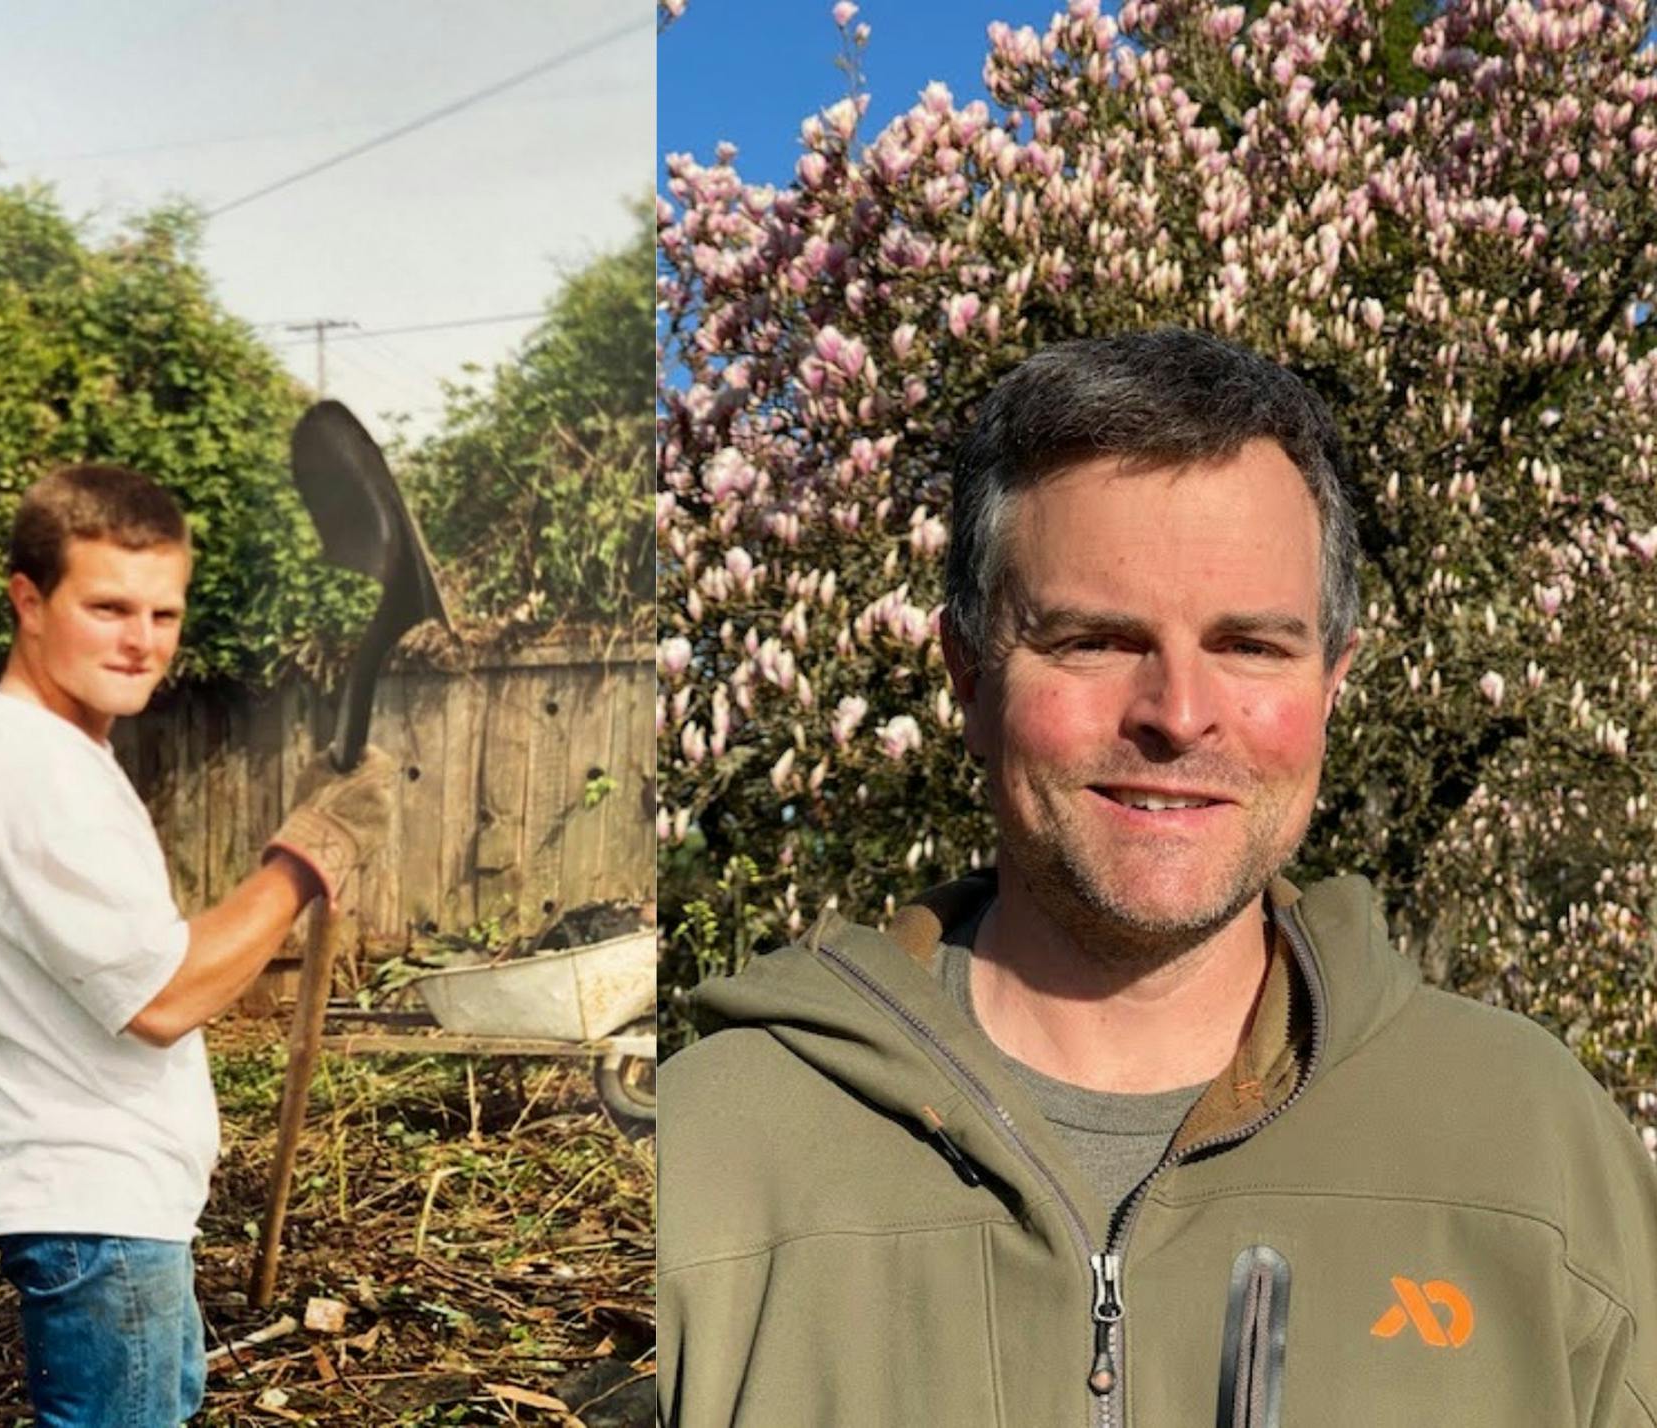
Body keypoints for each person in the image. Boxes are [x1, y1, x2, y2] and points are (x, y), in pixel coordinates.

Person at [656, 330, 1657, 1426]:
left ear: (1332, 684)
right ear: (968, 679)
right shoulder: (709, 1166)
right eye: (1093, 640)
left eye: (1252, 647)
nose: (1178, 716)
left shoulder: (1533, 1154)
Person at [0, 464, 392, 1426]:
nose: (141, 642)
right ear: (29, 602)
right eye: (108, 608)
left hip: (111, 1204)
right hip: (93, 1203)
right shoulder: (33, 775)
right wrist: (309, 857)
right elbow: (163, 996)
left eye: (163, 613)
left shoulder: (62, 756)